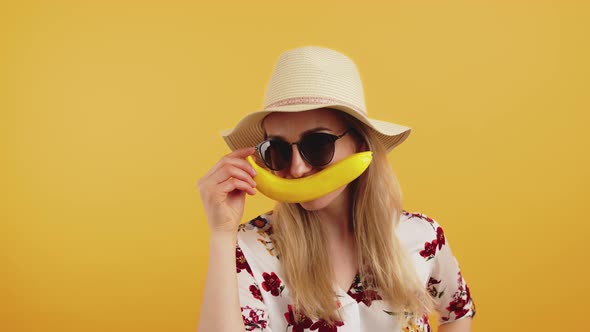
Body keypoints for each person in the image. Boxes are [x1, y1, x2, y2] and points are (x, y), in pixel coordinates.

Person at [197, 46, 476, 332]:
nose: (297, 169)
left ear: (360, 145)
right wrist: (221, 234)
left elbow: (458, 310)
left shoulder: (422, 235)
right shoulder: (250, 248)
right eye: (277, 149)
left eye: (317, 145)